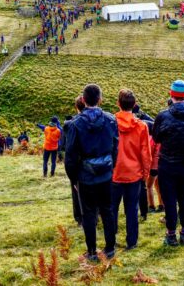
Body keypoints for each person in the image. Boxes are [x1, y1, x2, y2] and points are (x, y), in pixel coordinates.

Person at [65, 84, 119, 262]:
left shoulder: (76, 124)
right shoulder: (111, 120)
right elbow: (115, 146)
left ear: (83, 100)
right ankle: (110, 248)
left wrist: (73, 178)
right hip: (105, 173)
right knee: (108, 211)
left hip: (85, 175)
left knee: (88, 214)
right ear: (100, 99)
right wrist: (112, 166)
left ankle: (92, 251)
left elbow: (71, 155)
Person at [151, 80, 184, 247]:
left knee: (170, 200)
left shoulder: (163, 115)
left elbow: (156, 138)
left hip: (167, 163)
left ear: (171, 94)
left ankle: (171, 235)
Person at [111, 89, 151, 250]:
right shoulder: (141, 126)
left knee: (112, 209)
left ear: (118, 104)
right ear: (134, 105)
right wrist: (145, 174)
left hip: (114, 172)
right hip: (134, 173)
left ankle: (110, 239)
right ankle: (132, 241)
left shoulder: (111, 122)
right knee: (132, 210)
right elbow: (145, 153)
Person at [64, 95, 86, 226]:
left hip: (78, 165)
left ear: (76, 107)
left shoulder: (71, 124)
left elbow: (70, 150)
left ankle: (80, 217)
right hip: (97, 163)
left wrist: (71, 173)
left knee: (77, 192)